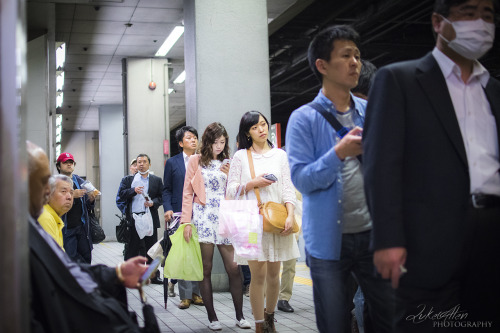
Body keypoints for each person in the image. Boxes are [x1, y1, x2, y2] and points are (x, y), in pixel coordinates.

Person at [363, 0, 500, 331]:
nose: (480, 22)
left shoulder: (494, 90)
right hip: (427, 242)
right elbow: (382, 165)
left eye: (488, 15)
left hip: (492, 237)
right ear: (438, 22)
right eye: (468, 13)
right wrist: (387, 239)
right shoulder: (399, 80)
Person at [285, 25, 394, 333]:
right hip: (328, 244)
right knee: (334, 323)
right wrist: (338, 153)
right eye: (346, 55)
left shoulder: (370, 111)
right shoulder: (303, 118)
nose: (355, 63)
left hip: (373, 235)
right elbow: (302, 180)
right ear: (322, 65)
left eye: (357, 56)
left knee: (387, 319)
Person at [27, 141, 149, 333]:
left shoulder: (37, 221)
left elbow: (64, 269)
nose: (46, 190)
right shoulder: (35, 225)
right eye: (41, 181)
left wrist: (116, 273)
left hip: (81, 229)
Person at [227, 111, 300, 333]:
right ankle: (259, 325)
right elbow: (230, 191)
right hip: (251, 221)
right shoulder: (241, 156)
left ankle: (270, 319)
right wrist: (253, 183)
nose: (261, 129)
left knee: (273, 274)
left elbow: (287, 187)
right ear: (247, 133)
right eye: (254, 127)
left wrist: (290, 214)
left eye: (263, 124)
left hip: (277, 219)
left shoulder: (280, 155)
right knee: (257, 276)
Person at [181, 122, 251, 331]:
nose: (219, 146)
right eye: (215, 142)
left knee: (234, 267)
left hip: (224, 216)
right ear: (207, 142)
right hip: (203, 217)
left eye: (223, 142)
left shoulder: (229, 162)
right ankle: (212, 318)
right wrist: (186, 222)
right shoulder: (195, 161)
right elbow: (187, 193)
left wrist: (231, 175)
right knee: (206, 268)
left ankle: (240, 316)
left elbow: (237, 191)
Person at [162, 126, 203, 309]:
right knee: (185, 253)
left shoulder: (204, 161)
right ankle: (185, 295)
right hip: (180, 212)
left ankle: (197, 293)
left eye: (195, 137)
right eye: (189, 138)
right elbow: (167, 189)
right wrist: (168, 208)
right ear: (180, 143)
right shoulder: (172, 162)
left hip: (201, 213)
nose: (193, 140)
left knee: (199, 254)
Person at [117, 153, 164, 284]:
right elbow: (121, 194)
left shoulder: (156, 180)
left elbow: (162, 197)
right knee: (132, 249)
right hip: (134, 219)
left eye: (144, 161)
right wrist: (133, 190)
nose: (141, 164)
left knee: (152, 249)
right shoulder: (128, 180)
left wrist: (153, 203)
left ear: (149, 164)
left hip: (150, 218)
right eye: (139, 162)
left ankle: (153, 275)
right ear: (136, 165)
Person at [57, 152, 95, 263]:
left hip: (82, 227)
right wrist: (73, 194)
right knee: (70, 259)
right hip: (66, 228)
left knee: (86, 257)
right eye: (65, 162)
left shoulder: (79, 181)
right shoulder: (55, 182)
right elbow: (52, 201)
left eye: (71, 162)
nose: (69, 165)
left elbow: (88, 205)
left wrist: (92, 199)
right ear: (59, 166)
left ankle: (85, 279)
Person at [277, 189, 303, 314]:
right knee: (269, 265)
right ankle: (263, 298)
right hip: (271, 220)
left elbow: (301, 205)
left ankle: (284, 299)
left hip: (291, 225)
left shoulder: (296, 175)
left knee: (290, 264)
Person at [38, 175, 74, 248]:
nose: (69, 197)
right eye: (63, 191)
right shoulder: (45, 218)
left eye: (71, 192)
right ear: (48, 194)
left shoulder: (54, 218)